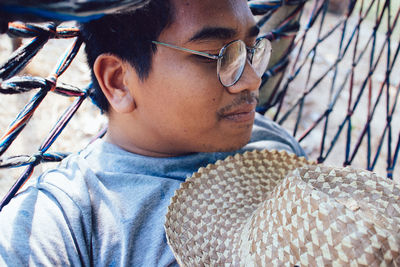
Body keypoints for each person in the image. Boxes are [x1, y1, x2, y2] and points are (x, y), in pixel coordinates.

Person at [0, 0, 305, 265]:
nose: (252, 79)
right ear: (118, 81)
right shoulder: (71, 219)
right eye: (219, 54)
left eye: (252, 50)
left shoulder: (271, 142)